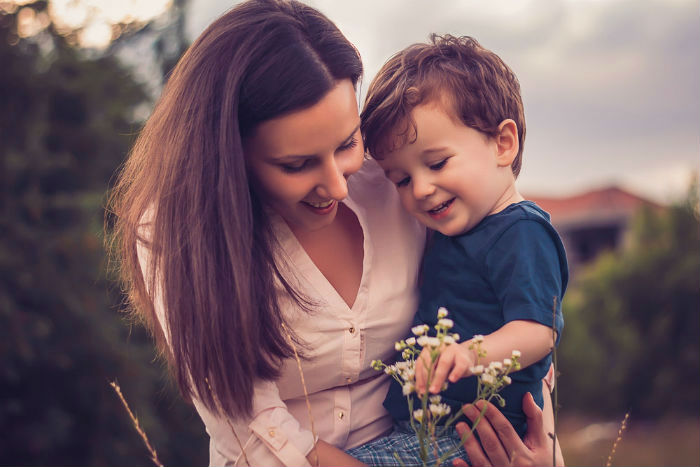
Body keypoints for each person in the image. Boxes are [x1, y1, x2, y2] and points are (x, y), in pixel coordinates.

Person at [108, 1, 562, 465]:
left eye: (348, 143)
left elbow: (513, 320)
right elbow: (249, 425)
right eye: (296, 164)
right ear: (229, 156)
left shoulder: (400, 178)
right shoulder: (175, 235)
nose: (339, 185)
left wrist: (543, 454)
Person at [349, 35, 568, 465]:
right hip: (435, 425)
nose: (422, 189)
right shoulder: (457, 231)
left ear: (503, 143)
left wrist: (469, 355)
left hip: (476, 433)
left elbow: (537, 331)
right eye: (402, 179)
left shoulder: (522, 231)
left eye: (436, 163)